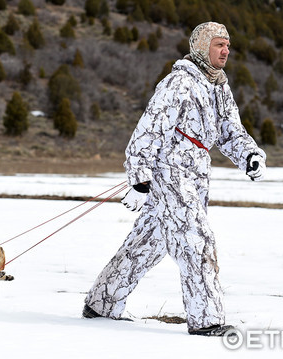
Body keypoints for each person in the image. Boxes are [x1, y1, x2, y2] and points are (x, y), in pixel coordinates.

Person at [82, 22, 266, 336]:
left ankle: (101, 303)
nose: (226, 51)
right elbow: (149, 129)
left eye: (228, 45)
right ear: (202, 46)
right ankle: (207, 320)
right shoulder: (178, 82)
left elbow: (229, 130)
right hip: (170, 172)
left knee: (147, 243)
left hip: (196, 173)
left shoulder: (218, 84)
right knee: (197, 240)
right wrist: (139, 179)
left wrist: (248, 155)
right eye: (219, 44)